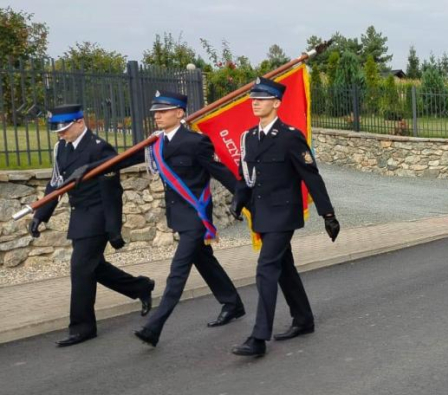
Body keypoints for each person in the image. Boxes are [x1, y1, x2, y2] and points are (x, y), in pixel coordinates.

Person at [230, 77, 341, 357]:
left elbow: (310, 176)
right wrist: (238, 201)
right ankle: (303, 319)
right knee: (285, 269)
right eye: (253, 98)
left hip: (284, 213)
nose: (255, 102)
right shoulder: (248, 137)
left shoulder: (290, 135)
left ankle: (258, 337)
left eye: (262, 98)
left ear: (276, 103)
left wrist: (327, 214)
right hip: (262, 214)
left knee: (266, 268)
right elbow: (246, 177)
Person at [29, 104, 154, 347]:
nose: (59, 133)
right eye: (57, 130)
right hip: (79, 216)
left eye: (64, 129)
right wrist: (41, 214)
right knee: (94, 267)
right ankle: (141, 286)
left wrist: (113, 228)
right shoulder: (60, 148)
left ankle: (82, 326)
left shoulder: (100, 148)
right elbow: (56, 184)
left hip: (98, 216)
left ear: (79, 122)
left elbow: (112, 191)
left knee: (80, 267)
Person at [133, 91, 244, 347]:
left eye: (163, 111)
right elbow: (126, 158)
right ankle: (232, 303)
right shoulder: (157, 143)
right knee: (205, 262)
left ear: (180, 113)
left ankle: (154, 326)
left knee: (178, 271)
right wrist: (91, 170)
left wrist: (242, 198)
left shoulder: (196, 142)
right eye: (155, 112)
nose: (157, 116)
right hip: (178, 216)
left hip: (196, 216)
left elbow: (221, 172)